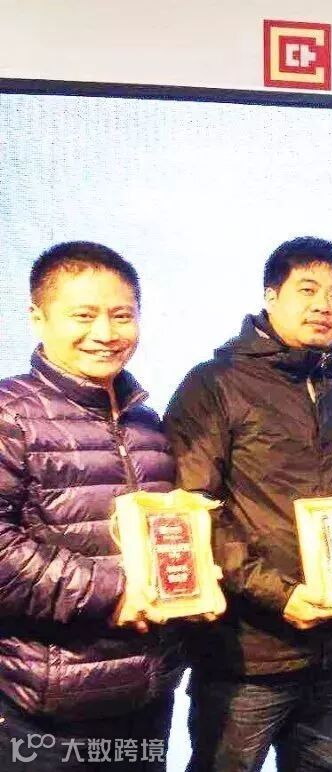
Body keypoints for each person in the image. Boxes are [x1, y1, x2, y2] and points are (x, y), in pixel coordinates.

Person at [165, 237, 332, 772]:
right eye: (307, 290)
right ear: (270, 295)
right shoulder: (214, 384)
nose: (323, 305)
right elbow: (191, 513)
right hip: (246, 655)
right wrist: (280, 594)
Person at [0, 242, 184, 770]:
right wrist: (116, 590)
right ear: (38, 317)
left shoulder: (147, 424)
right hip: (43, 712)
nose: (105, 332)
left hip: (145, 696)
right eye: (83, 315)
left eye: (121, 315)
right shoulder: (10, 415)